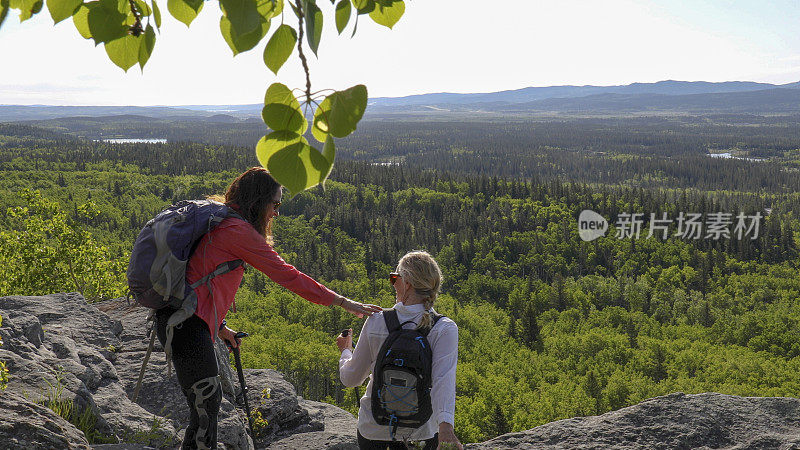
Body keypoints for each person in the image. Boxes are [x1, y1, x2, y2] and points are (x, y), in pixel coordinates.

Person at [155, 167, 382, 449]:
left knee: (205, 405)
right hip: (186, 324)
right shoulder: (238, 231)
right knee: (206, 404)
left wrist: (221, 328)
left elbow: (200, 274)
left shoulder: (222, 219)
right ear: (257, 201)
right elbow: (289, 276)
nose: (276, 212)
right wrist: (344, 302)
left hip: (183, 318)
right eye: (275, 204)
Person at [337, 251, 462, 450]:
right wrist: (446, 429)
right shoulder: (444, 328)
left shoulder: (377, 321)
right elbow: (443, 382)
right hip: (421, 433)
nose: (392, 283)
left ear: (408, 284)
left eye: (394, 278)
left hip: (373, 430)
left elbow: (351, 379)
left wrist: (345, 351)